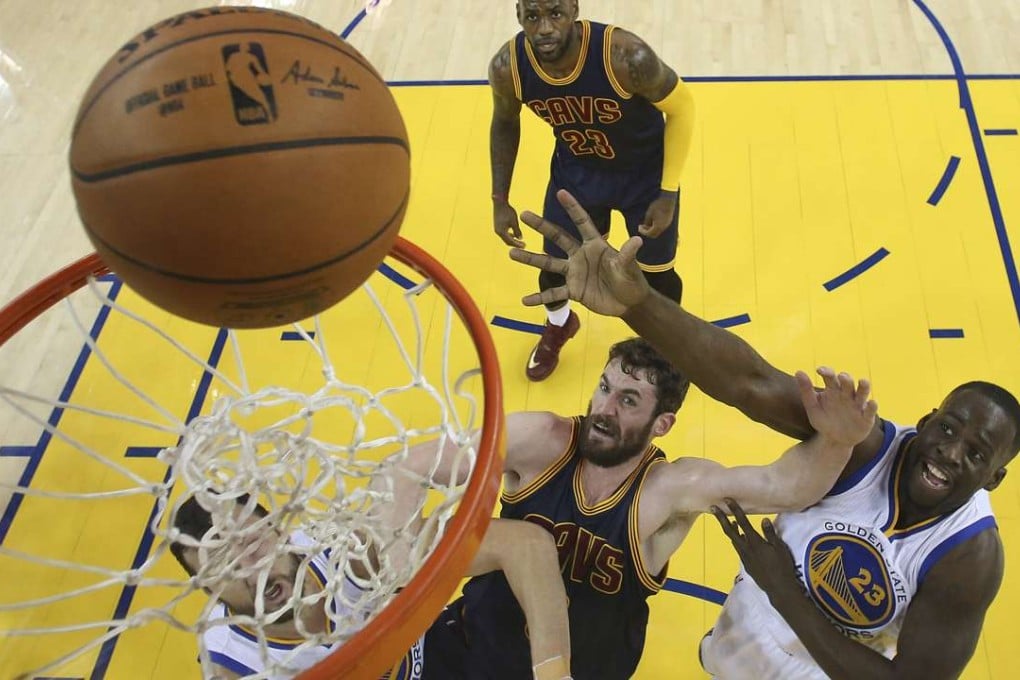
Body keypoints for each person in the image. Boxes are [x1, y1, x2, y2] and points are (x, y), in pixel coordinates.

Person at [508, 188, 1020, 679]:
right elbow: (747, 381)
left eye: (975, 454)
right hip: (746, 632)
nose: (949, 453)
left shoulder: (967, 558)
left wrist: (782, 588)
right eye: (948, 429)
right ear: (927, 421)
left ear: (995, 478)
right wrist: (639, 305)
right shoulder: (859, 443)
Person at [386, 336, 876, 679]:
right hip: (471, 648)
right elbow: (412, 463)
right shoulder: (544, 440)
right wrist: (390, 568)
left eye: (628, 400)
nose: (605, 408)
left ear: (661, 424)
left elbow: (785, 487)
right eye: (604, 388)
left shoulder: (666, 490)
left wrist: (838, 441)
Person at [488, 0, 695, 381]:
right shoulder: (509, 67)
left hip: (644, 176)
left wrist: (667, 193)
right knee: (555, 267)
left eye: (555, 13)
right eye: (533, 16)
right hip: (578, 174)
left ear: (574, 9)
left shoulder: (624, 56)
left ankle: (667, 345)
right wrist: (500, 199)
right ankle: (559, 324)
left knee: (657, 274)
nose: (545, 28)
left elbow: (682, 108)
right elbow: (504, 121)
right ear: (518, 15)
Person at [168, 495, 571, 680]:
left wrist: (553, 675)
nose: (251, 572)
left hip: (439, 662)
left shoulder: (349, 550)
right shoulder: (232, 667)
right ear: (207, 591)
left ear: (279, 531)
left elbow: (525, 545)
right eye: (224, 565)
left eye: (252, 543)